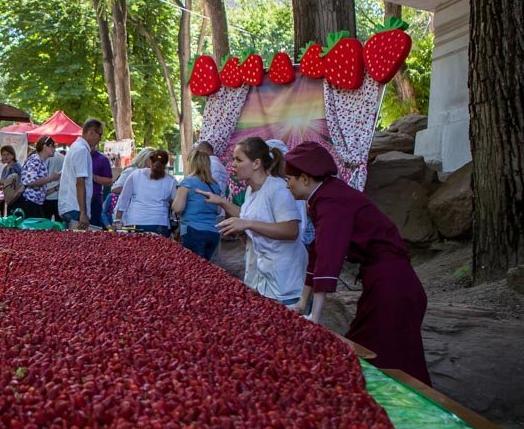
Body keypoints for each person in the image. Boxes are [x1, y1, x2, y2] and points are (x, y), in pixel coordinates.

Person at [284, 141, 431, 385]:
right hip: (383, 282)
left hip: (393, 286)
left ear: (305, 178)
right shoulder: (324, 196)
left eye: (289, 179)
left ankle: (410, 413)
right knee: (372, 348)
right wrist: (302, 304)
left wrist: (315, 316)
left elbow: (328, 257)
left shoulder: (332, 202)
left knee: (389, 358)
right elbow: (317, 254)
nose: (287, 185)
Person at [201, 137, 306, 305]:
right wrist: (222, 202)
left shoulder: (278, 188)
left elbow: (291, 230)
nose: (233, 164)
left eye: (238, 159)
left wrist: (248, 224)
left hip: (284, 278)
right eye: (233, 159)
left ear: (256, 163)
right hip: (262, 275)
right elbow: (245, 217)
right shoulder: (251, 190)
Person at [172, 148, 223, 260]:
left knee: (195, 270)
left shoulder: (188, 182)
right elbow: (218, 210)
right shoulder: (215, 185)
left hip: (193, 231)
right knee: (207, 268)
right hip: (213, 233)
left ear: (192, 163)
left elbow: (178, 208)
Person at [114, 149, 176, 235]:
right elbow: (177, 204)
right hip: (159, 223)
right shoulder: (171, 180)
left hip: (134, 222)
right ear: (166, 164)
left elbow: (124, 199)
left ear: (150, 161)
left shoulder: (135, 175)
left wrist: (118, 219)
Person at [58, 119, 103, 229]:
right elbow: (80, 182)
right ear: (91, 132)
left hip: (70, 206)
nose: (100, 139)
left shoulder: (76, 147)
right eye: (100, 134)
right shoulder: (81, 150)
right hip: (75, 207)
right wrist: (83, 212)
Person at [18, 136, 58, 219]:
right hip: (30, 204)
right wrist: (51, 178)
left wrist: (56, 188)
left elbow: (39, 190)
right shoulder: (36, 159)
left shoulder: (39, 160)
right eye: (52, 146)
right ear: (44, 146)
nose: (54, 149)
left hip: (35, 204)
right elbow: (31, 182)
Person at [90, 147, 115, 227]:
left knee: (94, 229)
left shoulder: (102, 159)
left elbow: (109, 181)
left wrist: (92, 177)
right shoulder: (77, 156)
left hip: (94, 201)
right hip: (75, 201)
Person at [43, 146, 64, 220]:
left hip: (47, 195)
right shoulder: (62, 157)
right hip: (59, 195)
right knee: (59, 224)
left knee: (45, 222)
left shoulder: (46, 158)